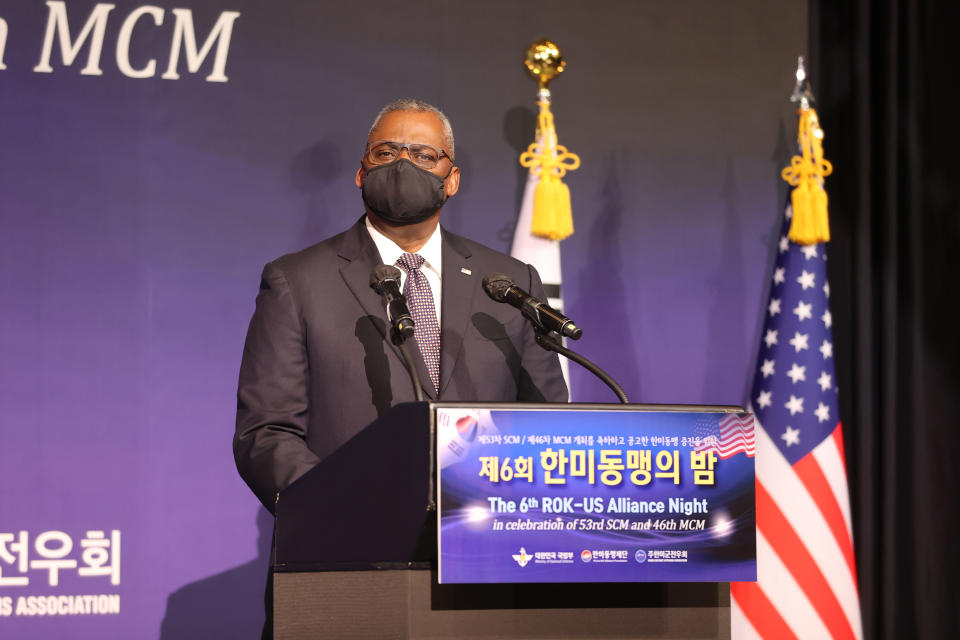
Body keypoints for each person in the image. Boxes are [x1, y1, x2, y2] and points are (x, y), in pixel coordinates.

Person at [234, 98, 568, 513]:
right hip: (351, 546)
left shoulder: (510, 283)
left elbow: (548, 423)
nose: (402, 165)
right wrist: (337, 505)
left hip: (484, 543)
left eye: (424, 155)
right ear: (361, 171)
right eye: (386, 153)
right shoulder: (297, 282)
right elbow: (266, 433)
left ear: (452, 179)